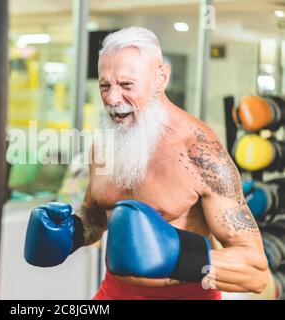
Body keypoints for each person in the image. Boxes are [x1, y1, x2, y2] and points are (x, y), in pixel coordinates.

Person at [24, 26, 268, 300]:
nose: (113, 99)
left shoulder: (200, 153)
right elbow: (96, 215)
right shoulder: (106, 143)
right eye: (105, 86)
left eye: (127, 85)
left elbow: (255, 271)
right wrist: (71, 232)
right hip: (114, 291)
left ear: (161, 77)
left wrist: (177, 256)